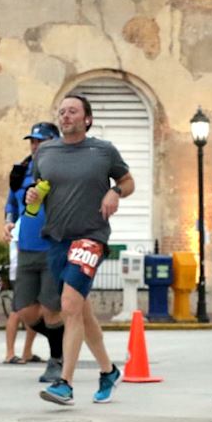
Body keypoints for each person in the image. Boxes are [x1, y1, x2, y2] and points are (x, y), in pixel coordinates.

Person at [30, 93, 133, 406]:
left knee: (70, 305)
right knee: (82, 311)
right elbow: (38, 190)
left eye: (73, 111)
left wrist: (115, 192)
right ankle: (108, 370)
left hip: (90, 236)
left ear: (87, 119)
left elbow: (128, 182)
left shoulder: (103, 151)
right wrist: (32, 198)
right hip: (57, 239)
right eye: (61, 111)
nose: (66, 116)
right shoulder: (45, 152)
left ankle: (65, 383)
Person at [3, 122, 64, 374]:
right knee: (26, 310)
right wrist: (7, 222)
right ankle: (63, 335)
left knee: (51, 308)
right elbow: (11, 203)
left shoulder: (63, 171)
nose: (35, 145)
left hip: (53, 246)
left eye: (41, 140)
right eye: (33, 141)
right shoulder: (21, 170)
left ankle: (56, 359)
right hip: (25, 246)